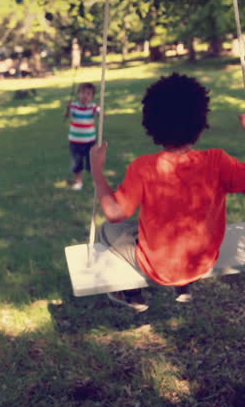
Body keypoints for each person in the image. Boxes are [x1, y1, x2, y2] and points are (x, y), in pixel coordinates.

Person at [90, 72, 245, 311]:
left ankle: (131, 293)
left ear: (150, 124)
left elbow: (114, 212)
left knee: (108, 229)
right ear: (201, 122)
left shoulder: (144, 167)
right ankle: (183, 287)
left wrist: (97, 172)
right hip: (202, 261)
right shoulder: (218, 161)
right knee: (143, 230)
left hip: (158, 267)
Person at [64, 82, 100, 190]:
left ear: (92, 97)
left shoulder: (93, 107)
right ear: (78, 94)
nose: (85, 96)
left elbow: (102, 114)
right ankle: (79, 182)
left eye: (88, 94)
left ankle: (97, 182)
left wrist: (101, 112)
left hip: (90, 141)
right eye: (83, 93)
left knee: (92, 164)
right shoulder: (74, 106)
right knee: (77, 163)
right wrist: (67, 108)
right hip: (75, 141)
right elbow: (66, 116)